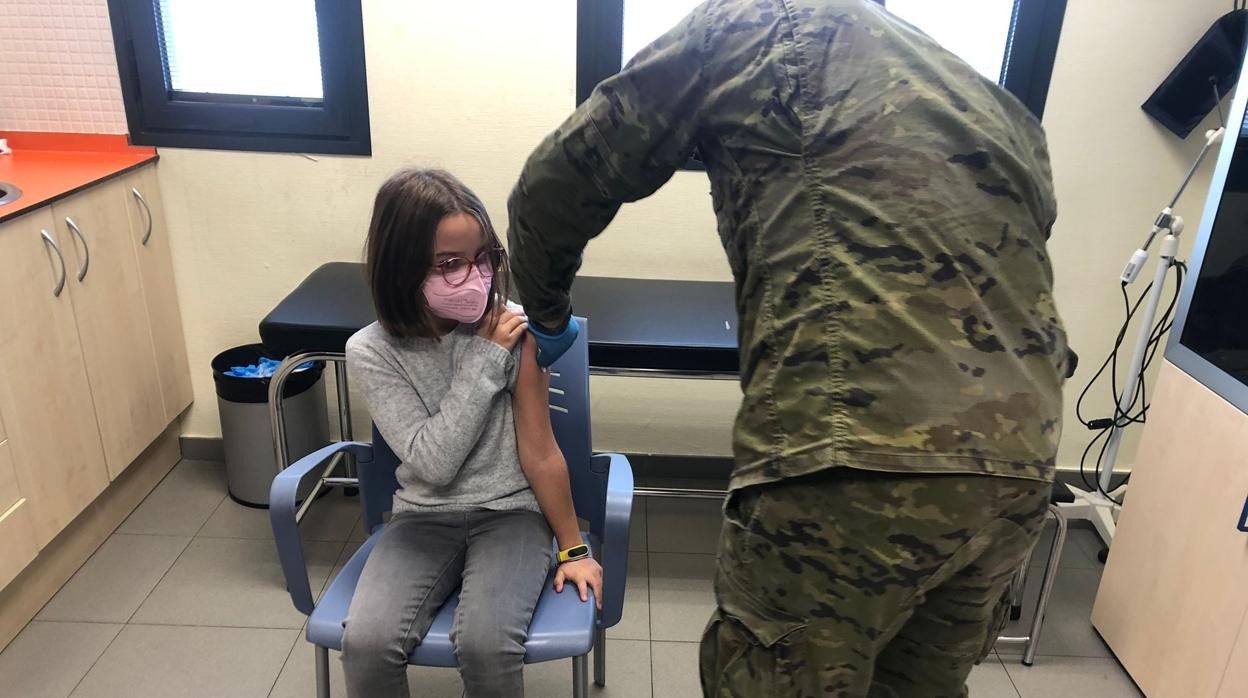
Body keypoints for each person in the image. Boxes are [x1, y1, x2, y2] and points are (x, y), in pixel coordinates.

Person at [506, 1, 1069, 695]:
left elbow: (555, 185)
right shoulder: (980, 90)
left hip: (852, 459)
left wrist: (548, 314)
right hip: (1018, 466)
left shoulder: (746, 23)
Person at [342, 168, 603, 698]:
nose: (476, 277)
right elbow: (433, 465)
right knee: (366, 645)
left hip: (512, 515)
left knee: (487, 646)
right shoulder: (371, 351)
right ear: (402, 268)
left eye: (484, 257)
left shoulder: (513, 328)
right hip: (423, 516)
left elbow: (539, 450)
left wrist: (574, 548)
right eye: (450, 264)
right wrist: (483, 363)